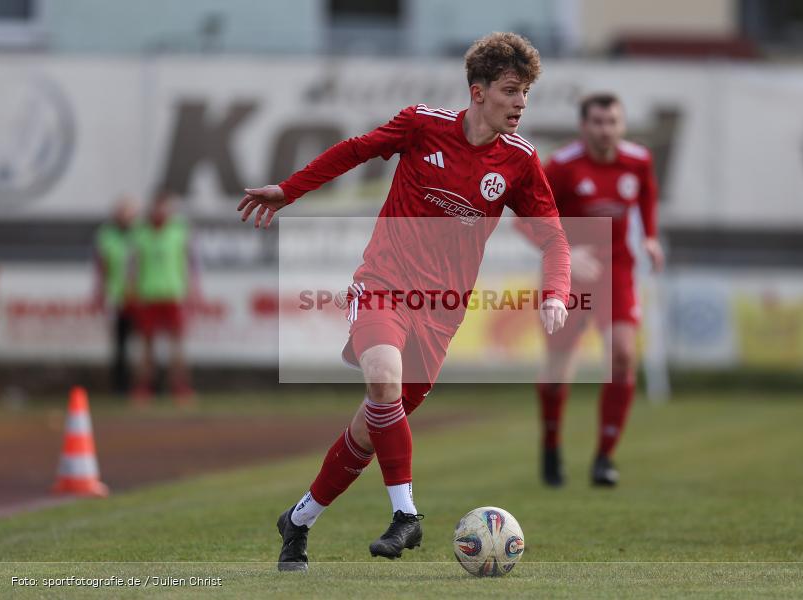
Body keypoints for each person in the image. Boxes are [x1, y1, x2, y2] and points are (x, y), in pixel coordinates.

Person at [238, 32, 571, 571]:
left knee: (369, 430)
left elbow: (554, 239)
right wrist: (289, 189)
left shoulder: (520, 161)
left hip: (442, 311)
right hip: (384, 284)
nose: (521, 104)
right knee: (382, 381)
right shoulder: (422, 124)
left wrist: (555, 291)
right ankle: (406, 514)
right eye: (511, 91)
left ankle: (297, 521)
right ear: (478, 91)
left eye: (526, 93)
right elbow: (355, 150)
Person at [534, 93, 664, 488]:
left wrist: (651, 237)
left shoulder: (638, 161)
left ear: (621, 125)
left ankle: (604, 458)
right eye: (598, 122)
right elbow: (528, 218)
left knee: (623, 355)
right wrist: (566, 252)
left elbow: (647, 196)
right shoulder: (562, 166)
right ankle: (551, 447)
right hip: (568, 274)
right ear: (583, 126)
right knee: (559, 368)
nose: (605, 130)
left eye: (612, 122)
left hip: (616, 271)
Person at [129, 190, 198, 405]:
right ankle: (144, 387)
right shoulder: (140, 232)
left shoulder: (178, 231)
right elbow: (134, 264)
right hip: (148, 293)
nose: (160, 211)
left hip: (173, 293)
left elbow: (190, 263)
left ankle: (180, 387)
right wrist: (132, 289)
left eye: (164, 207)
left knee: (177, 345)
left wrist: (194, 289)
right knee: (146, 345)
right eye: (157, 207)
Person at [94, 196, 138, 396]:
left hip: (140, 295)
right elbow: (102, 266)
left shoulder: (140, 233)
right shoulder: (107, 235)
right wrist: (100, 292)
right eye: (122, 212)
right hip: (117, 295)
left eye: (128, 212)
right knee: (120, 341)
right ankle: (120, 385)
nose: (124, 216)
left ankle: (144, 384)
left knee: (144, 342)